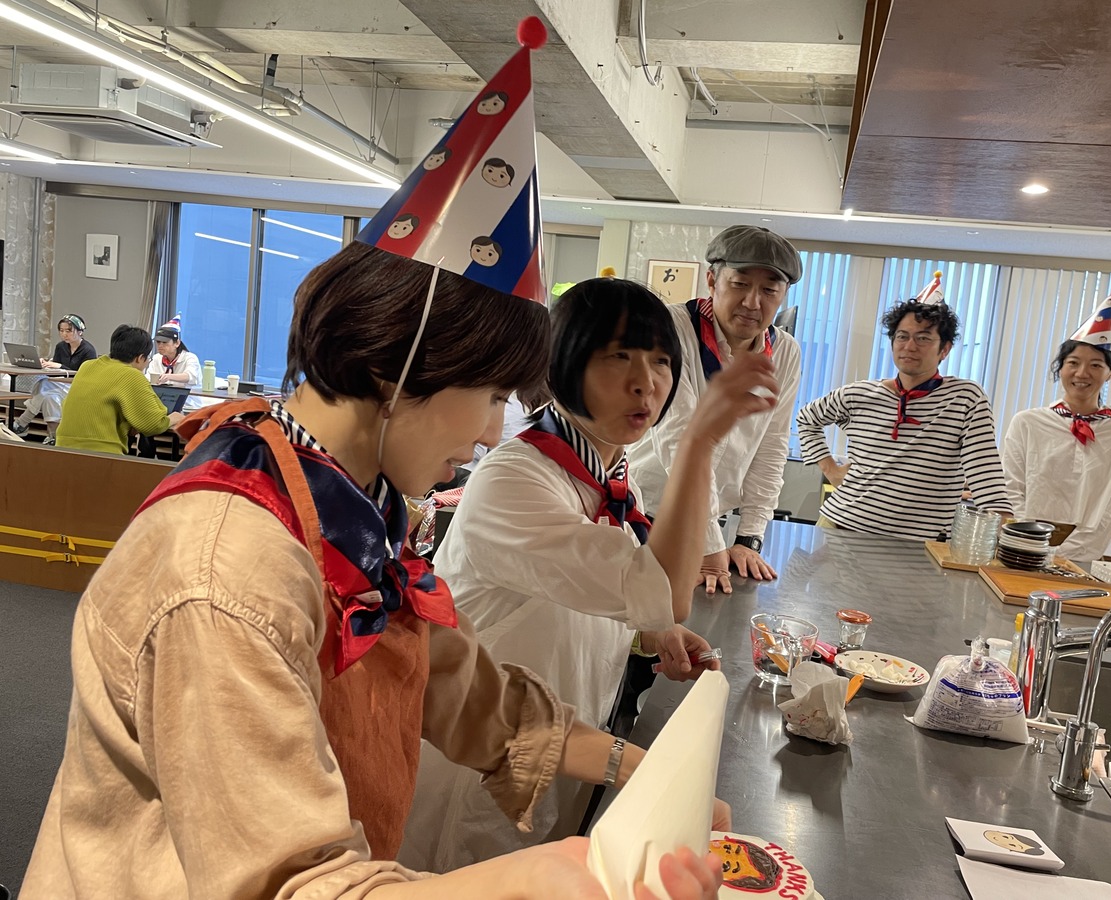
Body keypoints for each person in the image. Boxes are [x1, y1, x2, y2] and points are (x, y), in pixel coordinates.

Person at [24, 242, 723, 900]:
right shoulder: (229, 572)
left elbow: (466, 693)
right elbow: (288, 883)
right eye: (490, 396)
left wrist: (649, 773)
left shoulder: (345, 504)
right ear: (396, 369)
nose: (491, 432)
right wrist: (535, 878)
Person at [402, 278, 773, 873]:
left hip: (573, 741)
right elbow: (665, 591)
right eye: (617, 356)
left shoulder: (612, 475)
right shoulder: (513, 479)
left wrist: (649, 634)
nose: (645, 382)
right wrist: (699, 443)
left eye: (660, 361)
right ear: (562, 365)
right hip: (484, 761)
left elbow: (592, 592)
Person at [628, 225, 802, 594]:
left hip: (712, 521)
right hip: (645, 512)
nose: (752, 303)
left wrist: (749, 536)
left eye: (769, 291)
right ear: (712, 280)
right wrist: (708, 542)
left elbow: (772, 444)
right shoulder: (672, 327)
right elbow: (677, 435)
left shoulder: (785, 351)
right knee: (647, 611)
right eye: (740, 284)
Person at [795, 272, 1011, 539]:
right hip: (841, 527)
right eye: (902, 336)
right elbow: (806, 418)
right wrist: (832, 470)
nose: (909, 346)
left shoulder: (965, 398)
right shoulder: (859, 393)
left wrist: (1005, 528)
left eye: (923, 338)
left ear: (945, 349)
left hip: (919, 542)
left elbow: (985, 471)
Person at [1003, 283, 1111, 562]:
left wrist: (1071, 553)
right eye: (1073, 363)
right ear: (1061, 367)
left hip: (1084, 556)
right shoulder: (1027, 423)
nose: (1082, 373)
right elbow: (1011, 487)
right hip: (1022, 548)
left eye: (1096, 365)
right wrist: (1031, 541)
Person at [55, 324, 185, 455]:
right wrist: (175, 418)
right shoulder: (132, 375)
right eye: (147, 358)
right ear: (140, 358)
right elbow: (153, 424)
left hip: (61, 448)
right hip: (101, 453)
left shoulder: (87, 366)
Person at [9, 314, 97, 444]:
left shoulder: (88, 350)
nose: (64, 334)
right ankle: (53, 437)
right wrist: (45, 365)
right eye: (61, 331)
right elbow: (55, 372)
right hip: (59, 385)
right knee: (49, 398)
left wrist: (60, 366)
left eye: (68, 331)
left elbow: (86, 376)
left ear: (80, 331)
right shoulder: (61, 347)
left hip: (77, 387)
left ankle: (22, 423)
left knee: (44, 384)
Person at [146, 312, 204, 410]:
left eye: (165, 342)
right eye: (158, 342)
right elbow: (148, 378)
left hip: (188, 405)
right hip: (161, 404)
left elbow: (189, 376)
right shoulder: (156, 358)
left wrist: (168, 376)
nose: (160, 345)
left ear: (177, 343)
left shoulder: (190, 358)